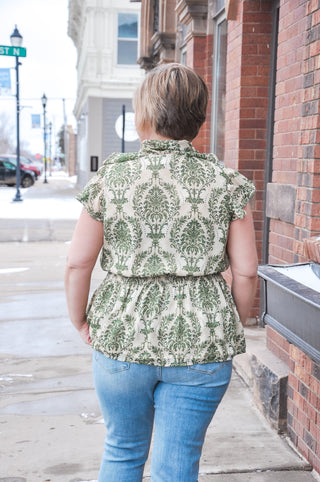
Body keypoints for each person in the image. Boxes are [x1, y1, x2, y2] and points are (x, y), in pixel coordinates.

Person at [65, 62, 258, 482]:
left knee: (122, 450)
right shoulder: (225, 182)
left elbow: (78, 262)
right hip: (202, 339)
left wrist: (79, 318)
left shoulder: (112, 178)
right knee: (177, 464)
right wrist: (232, 322)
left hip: (120, 334)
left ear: (143, 116)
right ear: (200, 119)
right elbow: (246, 272)